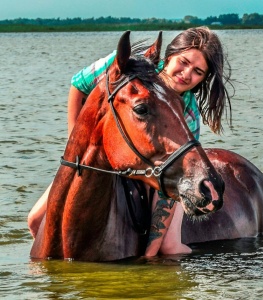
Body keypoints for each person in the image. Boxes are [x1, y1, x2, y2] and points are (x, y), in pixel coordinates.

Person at [28, 27, 232, 256]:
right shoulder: (130, 67)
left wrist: (151, 253)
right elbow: (78, 84)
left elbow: (178, 169)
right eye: (183, 62)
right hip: (106, 152)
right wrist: (75, 146)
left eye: (197, 72)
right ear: (169, 56)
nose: (186, 74)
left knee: (169, 246)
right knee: (35, 220)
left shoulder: (190, 113)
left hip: (160, 170)